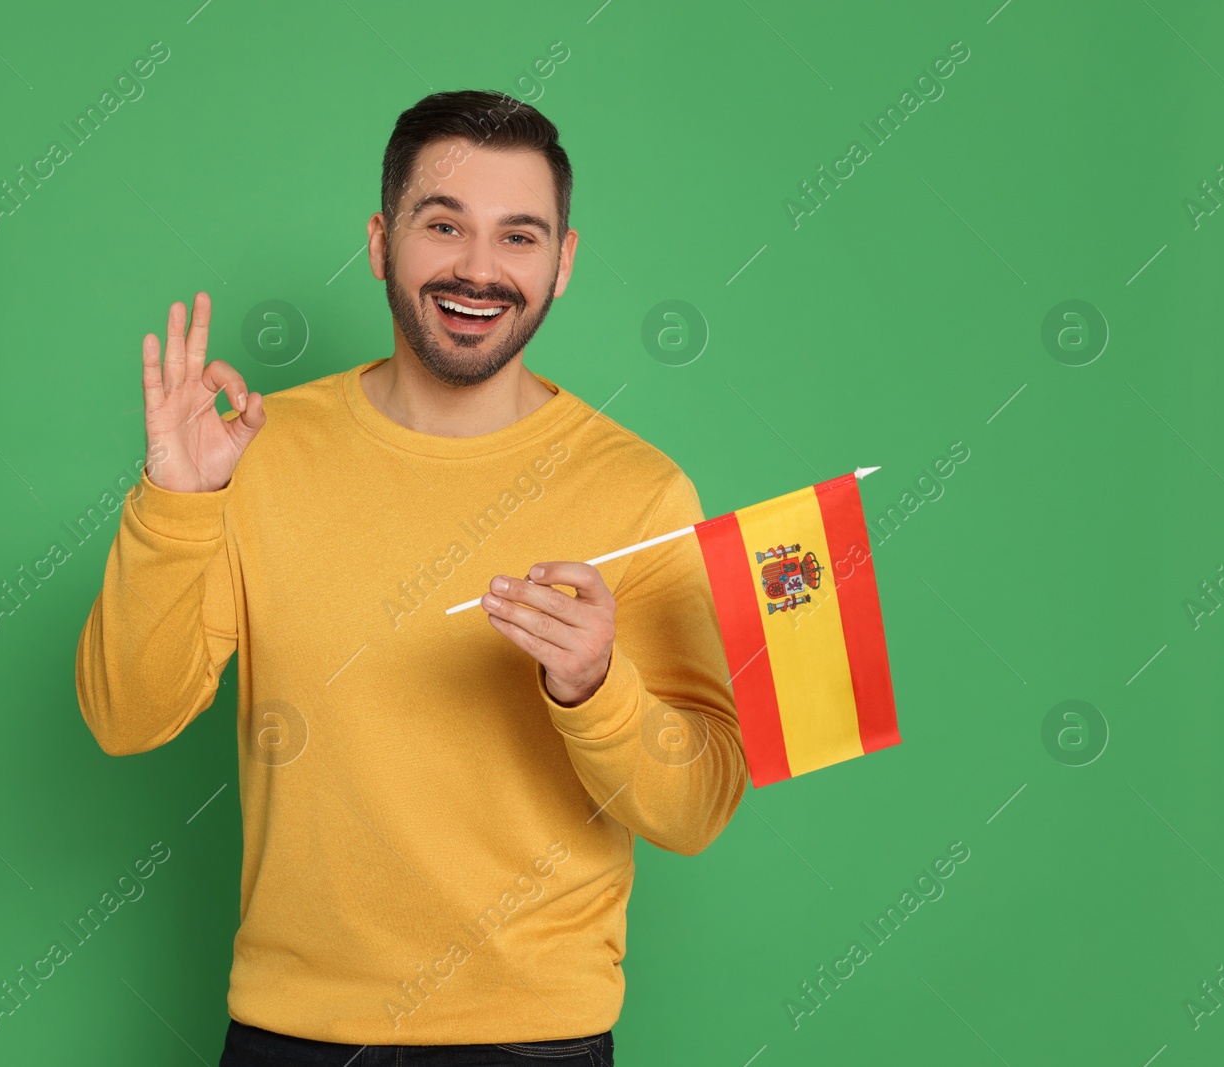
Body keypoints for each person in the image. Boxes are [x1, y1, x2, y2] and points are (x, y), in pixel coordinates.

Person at [75, 88, 746, 1067]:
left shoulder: (639, 490)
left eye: (518, 236)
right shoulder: (255, 450)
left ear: (561, 263)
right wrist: (176, 504)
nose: (478, 268)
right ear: (382, 243)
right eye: (444, 225)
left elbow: (697, 808)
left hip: (533, 1041)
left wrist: (595, 686)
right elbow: (123, 717)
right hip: (290, 1034)